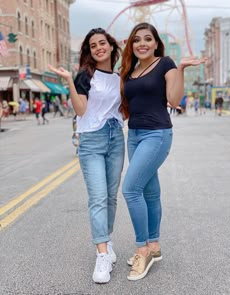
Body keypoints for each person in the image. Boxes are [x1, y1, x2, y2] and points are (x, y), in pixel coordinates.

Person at [120, 22, 207, 281]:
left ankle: (142, 250)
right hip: (133, 135)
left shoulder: (166, 64)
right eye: (137, 40)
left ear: (157, 43)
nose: (142, 44)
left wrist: (179, 69)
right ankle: (154, 245)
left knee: (130, 189)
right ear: (131, 45)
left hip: (156, 134)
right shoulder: (131, 70)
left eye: (148, 39)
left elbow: (174, 99)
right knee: (149, 190)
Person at [48, 27, 125, 284]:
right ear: (89, 51)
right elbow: (81, 111)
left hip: (116, 137)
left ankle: (107, 239)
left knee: (111, 197)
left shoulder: (119, 77)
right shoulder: (85, 75)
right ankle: (101, 253)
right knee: (98, 197)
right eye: (93, 45)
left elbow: (123, 109)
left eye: (103, 43)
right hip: (92, 139)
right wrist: (70, 81)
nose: (98, 48)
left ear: (111, 46)